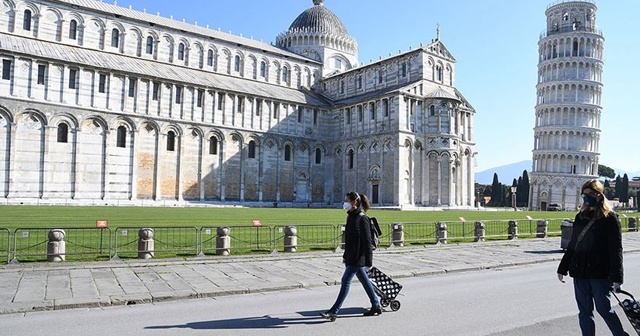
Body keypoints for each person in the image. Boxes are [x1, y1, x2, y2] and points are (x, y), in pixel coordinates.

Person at [557, 179, 629, 336]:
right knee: (584, 312)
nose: (586, 197)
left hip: (600, 273)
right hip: (580, 271)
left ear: (599, 195)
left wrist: (617, 278)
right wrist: (562, 267)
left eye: (590, 194)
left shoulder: (610, 218)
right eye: (584, 194)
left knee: (604, 309)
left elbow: (616, 250)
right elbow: (573, 245)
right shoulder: (580, 217)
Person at [321, 191, 381, 320]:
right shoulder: (350, 217)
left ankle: (333, 311)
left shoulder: (362, 218)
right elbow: (349, 240)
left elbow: (367, 242)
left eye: (347, 200)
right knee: (364, 281)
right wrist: (345, 255)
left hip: (358, 257)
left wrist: (369, 262)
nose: (345, 203)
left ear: (354, 202)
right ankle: (376, 304)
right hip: (351, 256)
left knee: (345, 281)